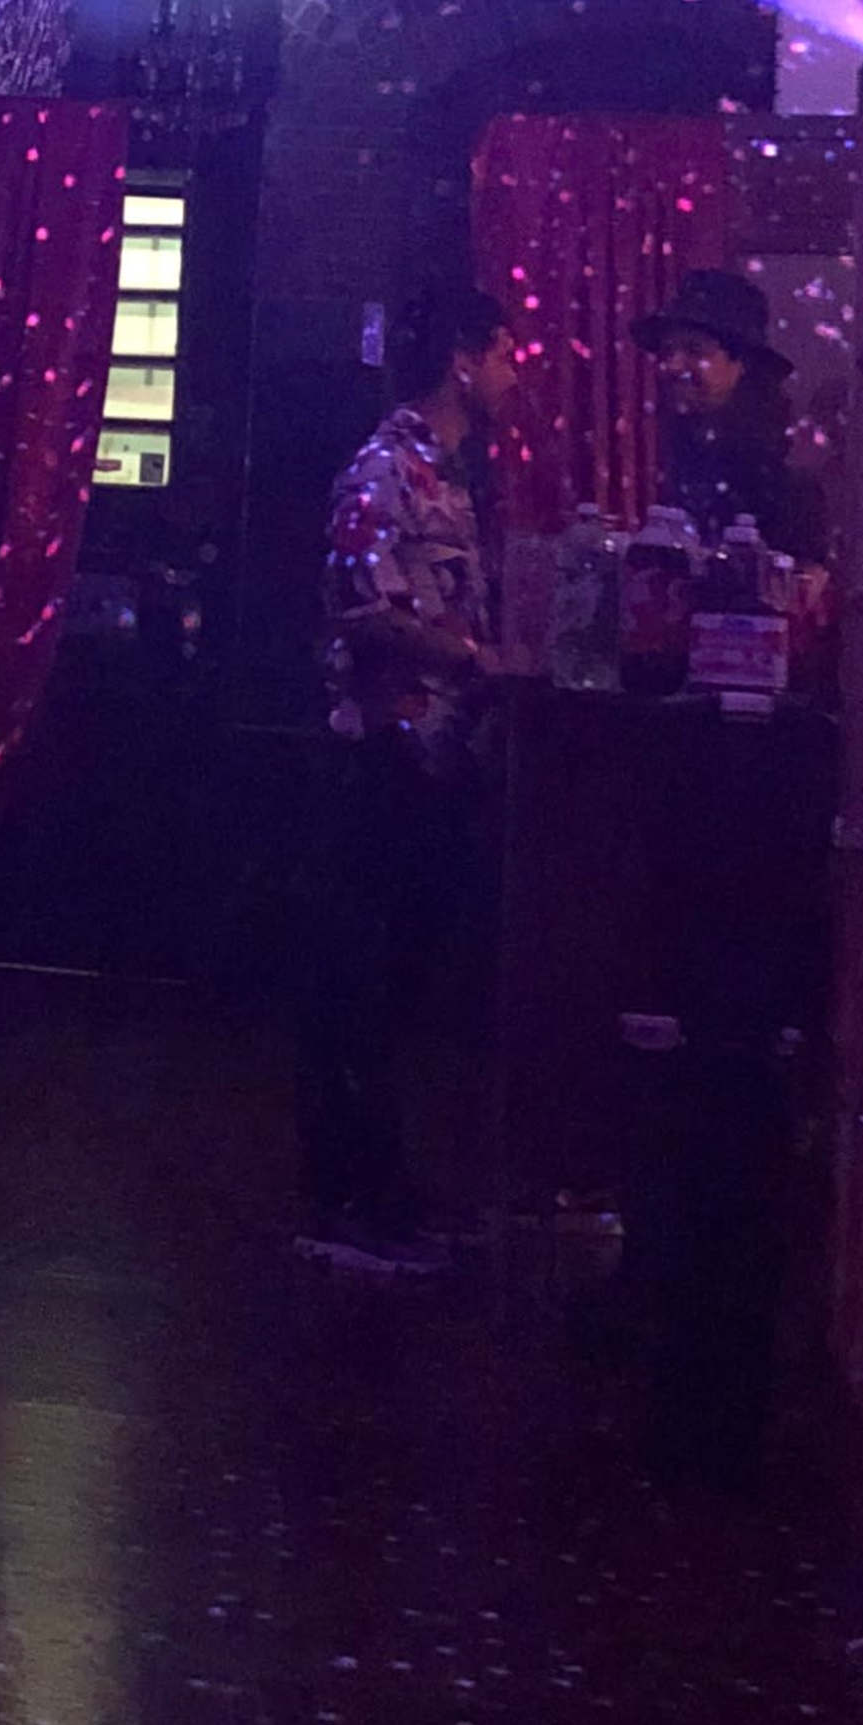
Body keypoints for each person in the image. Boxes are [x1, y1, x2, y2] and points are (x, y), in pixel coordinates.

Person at [296, 282, 528, 1273]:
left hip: (433, 758)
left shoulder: (451, 477)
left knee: (406, 983)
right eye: (506, 354)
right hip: (381, 755)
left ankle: (390, 1188)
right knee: (364, 980)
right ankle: (349, 1199)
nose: (515, 375)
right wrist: (475, 657)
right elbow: (362, 608)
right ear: (463, 361)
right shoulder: (383, 469)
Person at [632, 266, 823, 561]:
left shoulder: (787, 481)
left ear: (743, 363)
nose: (672, 366)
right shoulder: (676, 459)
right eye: (667, 352)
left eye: (695, 350)